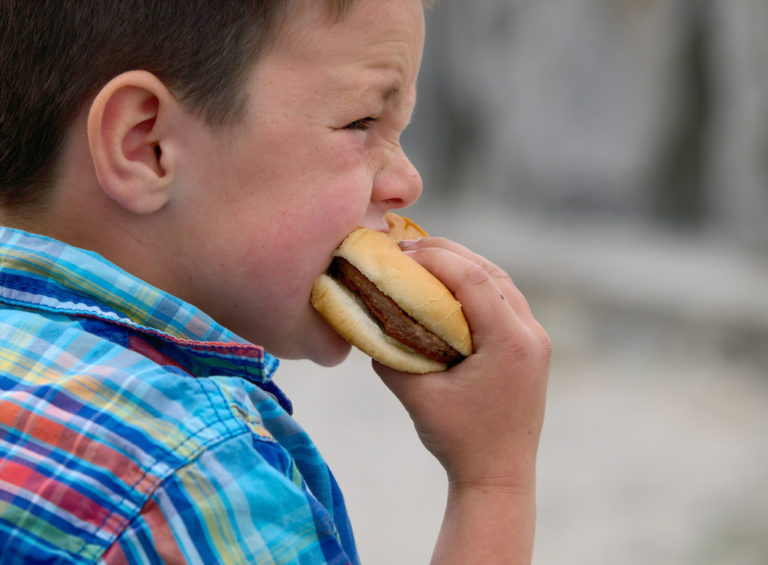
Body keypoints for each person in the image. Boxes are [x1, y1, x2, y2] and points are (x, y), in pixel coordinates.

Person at [0, 0, 551, 563]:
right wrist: (495, 485)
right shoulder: (195, 478)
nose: (408, 183)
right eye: (362, 123)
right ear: (147, 146)